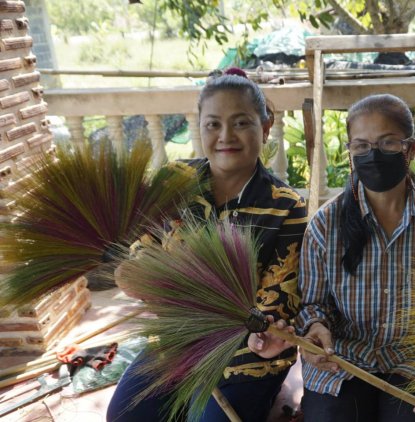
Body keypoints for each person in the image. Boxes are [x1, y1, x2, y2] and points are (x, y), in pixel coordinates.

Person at [107, 68, 307, 422]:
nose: (225, 136)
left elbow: (278, 301)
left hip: (248, 350)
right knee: (126, 415)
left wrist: (263, 338)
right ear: (200, 127)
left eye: (241, 122)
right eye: (213, 124)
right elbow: (142, 249)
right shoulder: (174, 181)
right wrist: (137, 274)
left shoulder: (285, 206)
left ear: (265, 125)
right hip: (178, 340)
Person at [295, 94, 415, 421]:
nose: (372, 155)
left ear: (410, 149)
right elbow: (311, 304)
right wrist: (315, 327)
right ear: (351, 152)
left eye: (387, 144)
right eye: (361, 146)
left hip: (414, 364)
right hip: (341, 362)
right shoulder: (325, 225)